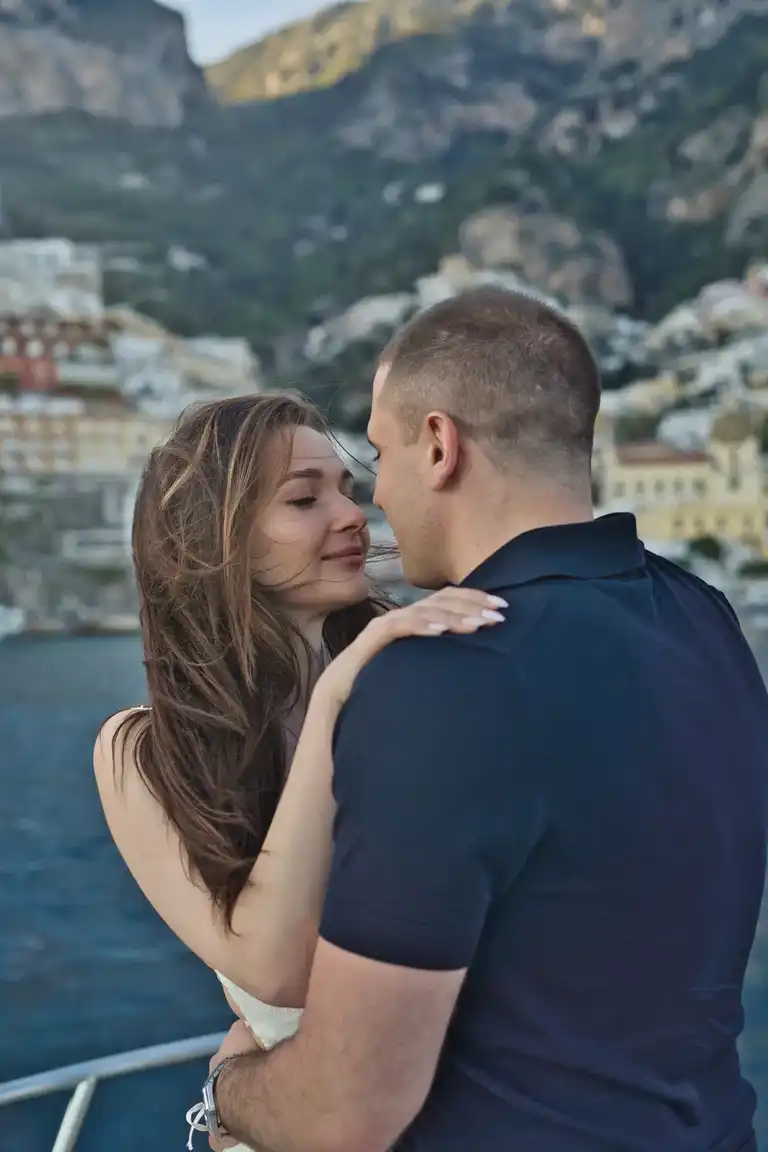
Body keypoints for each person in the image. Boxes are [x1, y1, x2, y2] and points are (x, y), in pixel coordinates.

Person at [205, 287, 768, 1152]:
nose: (375, 501)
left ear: (440, 445)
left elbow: (343, 1113)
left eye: (381, 457)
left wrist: (228, 1086)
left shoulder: (442, 677)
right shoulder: (705, 621)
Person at [92, 393, 504, 1152]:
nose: (352, 516)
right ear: (215, 540)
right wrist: (332, 702)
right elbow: (275, 969)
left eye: (346, 490)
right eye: (304, 499)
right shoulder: (141, 753)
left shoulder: (418, 684)